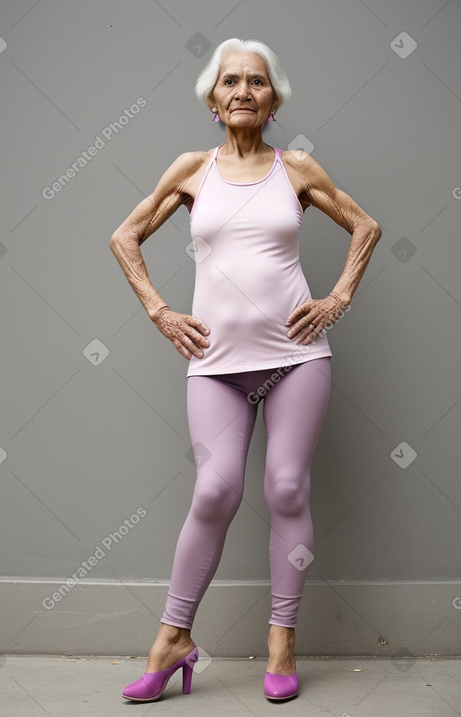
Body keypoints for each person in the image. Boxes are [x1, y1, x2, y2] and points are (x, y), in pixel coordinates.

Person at [110, 37, 381, 703]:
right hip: (215, 365)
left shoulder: (297, 170)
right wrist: (159, 310)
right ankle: (174, 638)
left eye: (256, 82)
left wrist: (339, 295)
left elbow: (365, 225)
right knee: (216, 491)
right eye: (229, 80)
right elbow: (125, 236)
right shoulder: (190, 170)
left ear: (272, 99)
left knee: (287, 487)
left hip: (295, 359)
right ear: (212, 99)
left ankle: (281, 639)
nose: (242, 90)